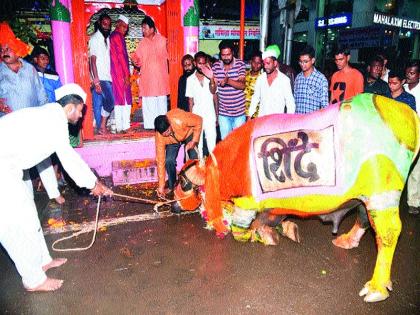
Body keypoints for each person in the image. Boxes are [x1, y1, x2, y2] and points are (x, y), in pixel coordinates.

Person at [0, 83, 113, 292]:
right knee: (10, 226)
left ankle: (43, 260)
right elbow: (68, 159)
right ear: (70, 107)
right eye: (80, 110)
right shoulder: (54, 121)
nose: (80, 116)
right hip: (3, 168)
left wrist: (94, 183)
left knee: (27, 214)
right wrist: (93, 185)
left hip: (11, 167)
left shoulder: (50, 117)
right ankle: (33, 280)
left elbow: (49, 157)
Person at [0, 22, 64, 205]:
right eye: (2, 48)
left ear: (17, 49)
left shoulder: (30, 69)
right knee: (20, 163)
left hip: (32, 122)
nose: (5, 51)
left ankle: (54, 192)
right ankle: (27, 199)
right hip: (9, 125)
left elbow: (41, 94)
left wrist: (45, 115)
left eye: (8, 48)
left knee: (42, 156)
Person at [132, 16, 170, 129]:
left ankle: (163, 127)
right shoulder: (142, 43)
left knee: (162, 103)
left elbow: (171, 57)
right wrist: (135, 61)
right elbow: (136, 59)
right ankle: (149, 127)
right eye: (142, 28)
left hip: (161, 79)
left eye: (145, 28)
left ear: (152, 29)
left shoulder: (163, 40)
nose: (143, 30)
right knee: (149, 103)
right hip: (148, 80)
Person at [154, 109, 202, 197]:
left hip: (188, 134)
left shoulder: (180, 118)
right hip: (173, 142)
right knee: (169, 161)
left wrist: (194, 141)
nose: (167, 134)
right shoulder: (160, 137)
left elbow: (199, 120)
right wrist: (161, 186)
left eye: (168, 131)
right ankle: (172, 186)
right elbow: (160, 161)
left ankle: (194, 186)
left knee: (193, 157)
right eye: (164, 134)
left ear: (170, 123)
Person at [247, 47, 295, 118]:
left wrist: (288, 121)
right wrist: (249, 116)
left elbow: (290, 103)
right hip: (262, 121)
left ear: (275, 63)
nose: (265, 66)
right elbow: (255, 98)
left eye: (268, 63)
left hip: (277, 122)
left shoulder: (284, 80)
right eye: (264, 63)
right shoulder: (261, 78)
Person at [185, 51, 217, 158]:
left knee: (212, 145)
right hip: (197, 116)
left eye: (204, 63)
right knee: (198, 146)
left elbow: (214, 94)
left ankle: (213, 169)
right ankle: (200, 169)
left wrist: (211, 77)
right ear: (194, 63)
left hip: (210, 115)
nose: (202, 66)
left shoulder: (211, 77)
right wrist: (190, 119)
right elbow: (190, 100)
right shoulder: (190, 80)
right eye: (199, 63)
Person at [89, 13, 114, 134]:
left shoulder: (107, 39)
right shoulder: (94, 39)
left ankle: (100, 127)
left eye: (109, 25)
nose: (106, 27)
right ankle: (102, 126)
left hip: (108, 77)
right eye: (104, 24)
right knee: (111, 100)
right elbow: (92, 61)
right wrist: (96, 80)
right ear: (99, 23)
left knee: (103, 103)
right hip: (100, 78)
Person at [110, 15, 132, 134]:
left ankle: (120, 126)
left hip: (116, 72)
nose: (125, 29)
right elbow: (121, 57)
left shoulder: (114, 35)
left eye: (126, 27)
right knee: (124, 99)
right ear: (118, 24)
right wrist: (126, 76)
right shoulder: (117, 36)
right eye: (123, 26)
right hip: (121, 73)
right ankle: (124, 126)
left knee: (119, 99)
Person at [404, 61, 420, 215]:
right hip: (403, 132)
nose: (408, 76)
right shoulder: (401, 89)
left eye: (412, 73)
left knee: (416, 168)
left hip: (418, 131)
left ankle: (413, 202)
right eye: (407, 73)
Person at [294, 45, 329, 114]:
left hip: (312, 122)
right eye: (300, 61)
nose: (302, 64)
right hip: (298, 121)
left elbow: (324, 106)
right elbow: (294, 101)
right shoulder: (298, 78)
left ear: (313, 60)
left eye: (305, 61)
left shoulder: (321, 79)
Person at [244, 51, 263, 118]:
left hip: (256, 115)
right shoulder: (244, 75)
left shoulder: (263, 78)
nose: (256, 65)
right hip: (241, 114)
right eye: (254, 62)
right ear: (250, 62)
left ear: (262, 64)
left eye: (259, 63)